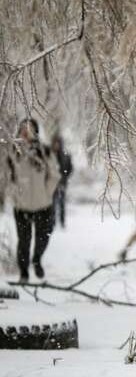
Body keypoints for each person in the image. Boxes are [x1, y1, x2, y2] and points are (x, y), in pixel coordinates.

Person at [6, 118, 61, 282]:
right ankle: (23, 272)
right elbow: (8, 176)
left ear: (35, 132)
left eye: (28, 129)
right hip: (21, 206)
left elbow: (55, 175)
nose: (24, 132)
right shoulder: (14, 152)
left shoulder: (44, 151)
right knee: (23, 241)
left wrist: (47, 193)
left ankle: (37, 260)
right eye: (22, 128)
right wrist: (14, 194)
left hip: (43, 204)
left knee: (43, 237)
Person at [51, 134, 73, 228]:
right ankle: (53, 222)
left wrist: (64, 177)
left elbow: (70, 168)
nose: (56, 145)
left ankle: (62, 222)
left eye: (58, 143)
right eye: (55, 143)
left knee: (61, 204)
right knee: (52, 205)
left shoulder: (66, 156)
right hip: (51, 185)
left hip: (62, 183)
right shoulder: (50, 154)